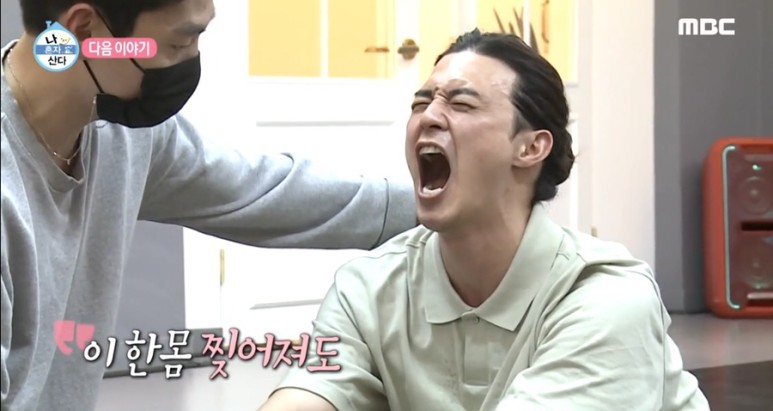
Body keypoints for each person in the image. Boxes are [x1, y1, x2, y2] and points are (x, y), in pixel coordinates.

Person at [259, 29, 710, 411]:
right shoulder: (367, 289)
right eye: (421, 103)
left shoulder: (607, 299)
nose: (428, 117)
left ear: (530, 147)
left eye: (461, 104)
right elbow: (307, 395)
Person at [0, 0, 418, 410]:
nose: (190, 63)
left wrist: (429, 207)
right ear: (84, 31)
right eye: (179, 44)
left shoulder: (122, 136)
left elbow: (258, 189)